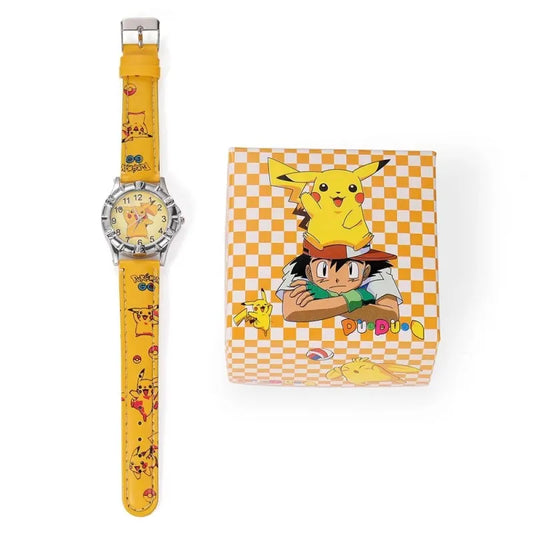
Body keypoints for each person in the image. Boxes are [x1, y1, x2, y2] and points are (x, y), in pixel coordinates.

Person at [276, 242, 402, 323]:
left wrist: (326, 298)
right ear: (309, 272)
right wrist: (356, 298)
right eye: (323, 270)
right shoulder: (299, 267)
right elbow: (291, 311)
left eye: (351, 270)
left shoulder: (377, 270)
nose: (337, 279)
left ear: (366, 271)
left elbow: (390, 314)